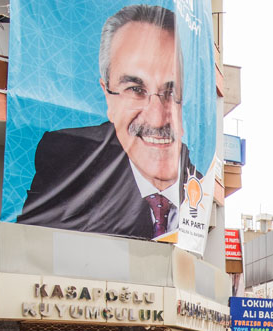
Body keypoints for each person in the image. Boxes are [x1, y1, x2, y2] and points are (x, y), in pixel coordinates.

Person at [17, 5, 200, 240]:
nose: (157, 117)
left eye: (171, 91)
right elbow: (30, 247)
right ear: (107, 94)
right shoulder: (66, 160)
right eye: (135, 89)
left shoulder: (199, 183)